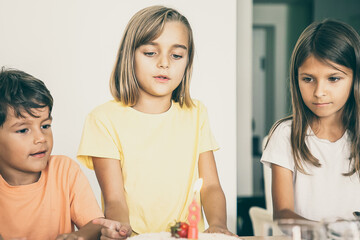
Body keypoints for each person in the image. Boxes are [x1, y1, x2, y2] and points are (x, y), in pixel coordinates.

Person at [77, 5, 234, 239]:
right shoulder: (103, 120)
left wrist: (219, 225)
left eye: (177, 55)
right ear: (129, 56)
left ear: (187, 62)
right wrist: (121, 230)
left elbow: (211, 187)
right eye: (150, 52)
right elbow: (115, 198)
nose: (164, 63)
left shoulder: (197, 113)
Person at [261, 19, 360, 221]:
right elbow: (283, 215)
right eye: (308, 79)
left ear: (355, 79)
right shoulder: (285, 135)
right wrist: (330, 232)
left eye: (333, 79)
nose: (319, 92)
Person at [0, 68, 104, 240]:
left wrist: (79, 236)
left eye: (45, 126)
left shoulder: (65, 171)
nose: (41, 138)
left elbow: (96, 225)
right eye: (23, 130)